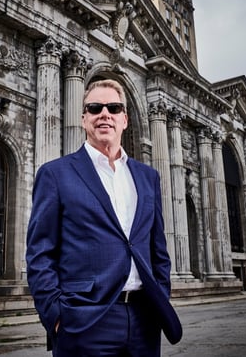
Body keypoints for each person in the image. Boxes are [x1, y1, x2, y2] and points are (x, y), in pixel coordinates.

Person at [26, 78, 182, 356]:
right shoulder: (55, 174)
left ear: (125, 119)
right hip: (84, 322)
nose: (104, 114)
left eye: (114, 108)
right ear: (84, 118)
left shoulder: (148, 177)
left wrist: (160, 293)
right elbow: (40, 252)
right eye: (95, 108)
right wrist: (56, 315)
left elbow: (157, 248)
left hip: (144, 320)